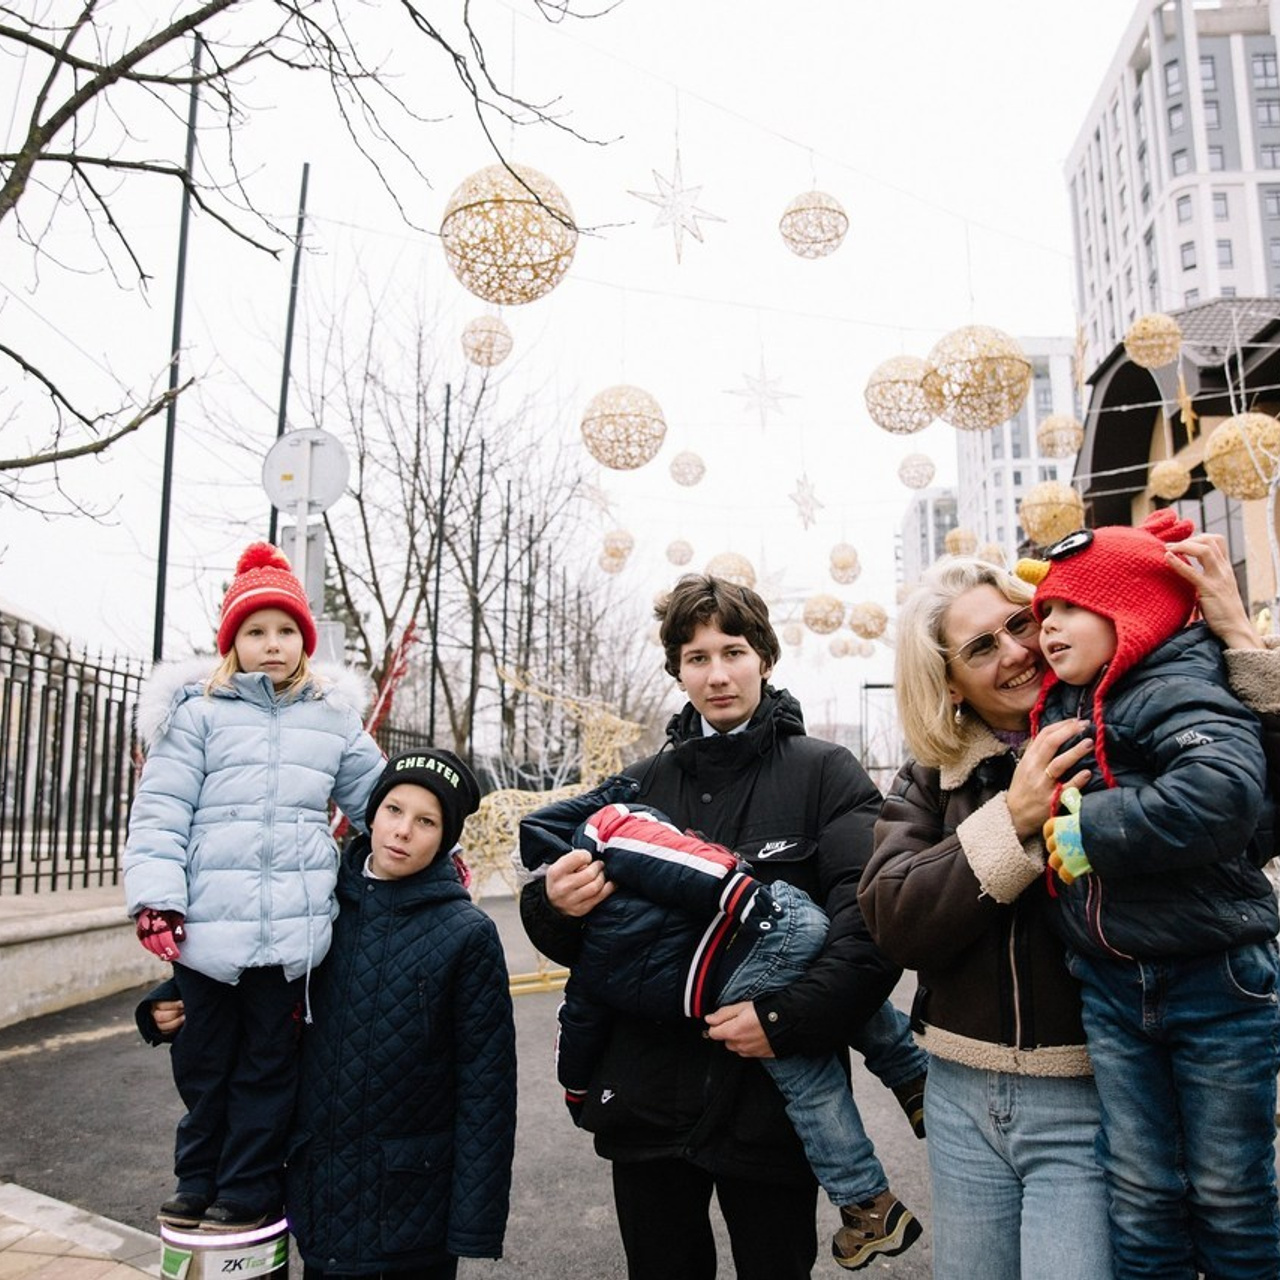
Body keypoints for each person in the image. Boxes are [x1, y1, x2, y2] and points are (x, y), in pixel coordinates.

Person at [859, 524, 1280, 1280]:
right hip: (959, 1093)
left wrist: (1243, 644)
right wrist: (1013, 820)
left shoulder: (1122, 721)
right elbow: (895, 919)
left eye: (1020, 623)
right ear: (949, 683)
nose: (1018, 651)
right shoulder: (937, 775)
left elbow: (1246, 818)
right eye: (981, 648)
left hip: (1087, 1090)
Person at [519, 573, 925, 1280]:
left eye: (732, 651)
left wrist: (785, 1017)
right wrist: (554, 903)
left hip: (770, 1108)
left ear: (763, 657)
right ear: (677, 670)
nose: (717, 674)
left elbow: (869, 922)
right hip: (647, 1101)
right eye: (697, 657)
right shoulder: (640, 785)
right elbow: (583, 942)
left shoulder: (825, 772)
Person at [141, 747, 517, 1280]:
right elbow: (251, 960)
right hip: (318, 1192)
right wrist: (164, 997)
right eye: (393, 809)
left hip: (412, 1207)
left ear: (445, 836)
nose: (403, 831)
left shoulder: (466, 934)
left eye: (426, 821)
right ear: (373, 811)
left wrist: (473, 1221)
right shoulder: (318, 900)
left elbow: (487, 1088)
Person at [1026, 511, 1279, 1279]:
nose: (1049, 628)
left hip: (1215, 978)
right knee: (1137, 1190)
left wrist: (1090, 830)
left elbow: (1223, 792)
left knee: (1230, 1189)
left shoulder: (1175, 686)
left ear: (1129, 609)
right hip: (1110, 982)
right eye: (1045, 613)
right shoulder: (1073, 702)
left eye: (1072, 607)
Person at [520, 790, 923, 1269]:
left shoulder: (603, 830)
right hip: (762, 936)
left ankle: (867, 1201)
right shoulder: (593, 935)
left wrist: (743, 897)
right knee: (824, 986)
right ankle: (914, 1082)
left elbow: (672, 858)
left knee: (806, 1077)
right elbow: (579, 1017)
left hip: (754, 933)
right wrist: (548, 905)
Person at [124, 543, 387, 1232]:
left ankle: (245, 1188)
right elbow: (160, 812)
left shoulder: (331, 716)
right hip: (207, 934)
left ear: (305, 638)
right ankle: (197, 1177)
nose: (271, 644)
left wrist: (429, 848)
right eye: (254, 631)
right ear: (231, 642)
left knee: (268, 1069)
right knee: (205, 1065)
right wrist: (157, 898)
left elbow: (376, 800)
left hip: (289, 938)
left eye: (285, 631)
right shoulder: (197, 715)